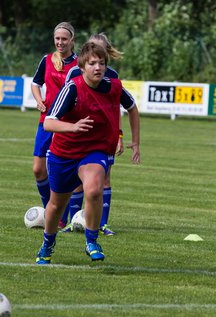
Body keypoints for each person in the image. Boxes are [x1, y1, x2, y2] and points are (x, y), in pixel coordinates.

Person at [35, 42, 140, 265]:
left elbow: (132, 107)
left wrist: (135, 141)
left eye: (101, 63)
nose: (97, 67)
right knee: (55, 206)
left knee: (93, 190)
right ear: (82, 67)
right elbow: (50, 124)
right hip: (64, 153)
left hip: (94, 151)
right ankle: (48, 243)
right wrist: (72, 127)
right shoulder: (72, 88)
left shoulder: (114, 86)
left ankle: (91, 241)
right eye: (92, 63)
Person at [61, 33, 124, 235]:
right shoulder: (74, 74)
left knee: (103, 179)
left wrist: (119, 136)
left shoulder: (112, 77)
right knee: (78, 182)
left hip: (103, 138)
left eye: (100, 52)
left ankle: (101, 224)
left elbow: (117, 109)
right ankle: (74, 221)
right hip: (78, 137)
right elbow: (65, 107)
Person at [31, 22, 77, 228]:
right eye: (57, 38)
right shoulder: (47, 60)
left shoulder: (79, 64)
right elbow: (35, 83)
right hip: (46, 122)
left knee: (68, 173)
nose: (60, 42)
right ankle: (52, 210)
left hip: (67, 124)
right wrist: (38, 99)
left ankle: (66, 218)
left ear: (72, 40)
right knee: (38, 170)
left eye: (64, 39)